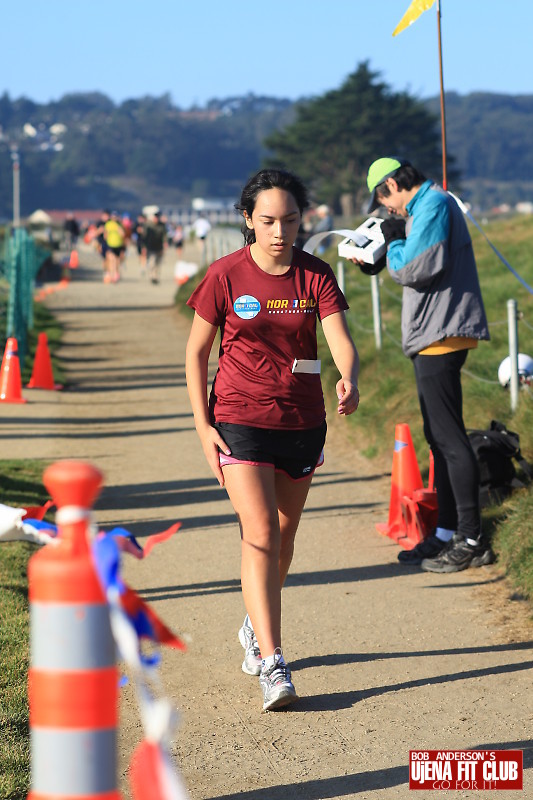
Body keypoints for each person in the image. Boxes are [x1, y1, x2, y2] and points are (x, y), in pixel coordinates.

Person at [185, 168, 360, 711]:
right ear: (247, 221)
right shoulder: (225, 275)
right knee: (258, 532)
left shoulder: (315, 276)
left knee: (283, 539)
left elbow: (339, 340)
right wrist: (202, 423)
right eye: (268, 221)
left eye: (289, 220)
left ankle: (253, 622)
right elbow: (195, 353)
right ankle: (272, 660)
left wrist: (349, 376)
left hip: (302, 422)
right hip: (238, 416)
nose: (280, 232)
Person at [361, 156, 494, 573]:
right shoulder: (426, 207)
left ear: (391, 186)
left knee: (450, 440)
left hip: (441, 333)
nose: (389, 211)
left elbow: (416, 267)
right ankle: (445, 532)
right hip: (433, 332)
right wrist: (392, 240)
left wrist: (394, 241)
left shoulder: (433, 204)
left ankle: (471, 537)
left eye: (386, 204)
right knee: (438, 439)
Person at [144, 210, 167, 283]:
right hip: (151, 247)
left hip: (159, 247)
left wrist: (165, 243)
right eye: (155, 217)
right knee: (152, 262)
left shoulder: (162, 225)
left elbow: (164, 235)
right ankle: (152, 276)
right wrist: (144, 246)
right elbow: (145, 237)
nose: (156, 219)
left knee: (158, 262)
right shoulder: (149, 225)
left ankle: (156, 276)